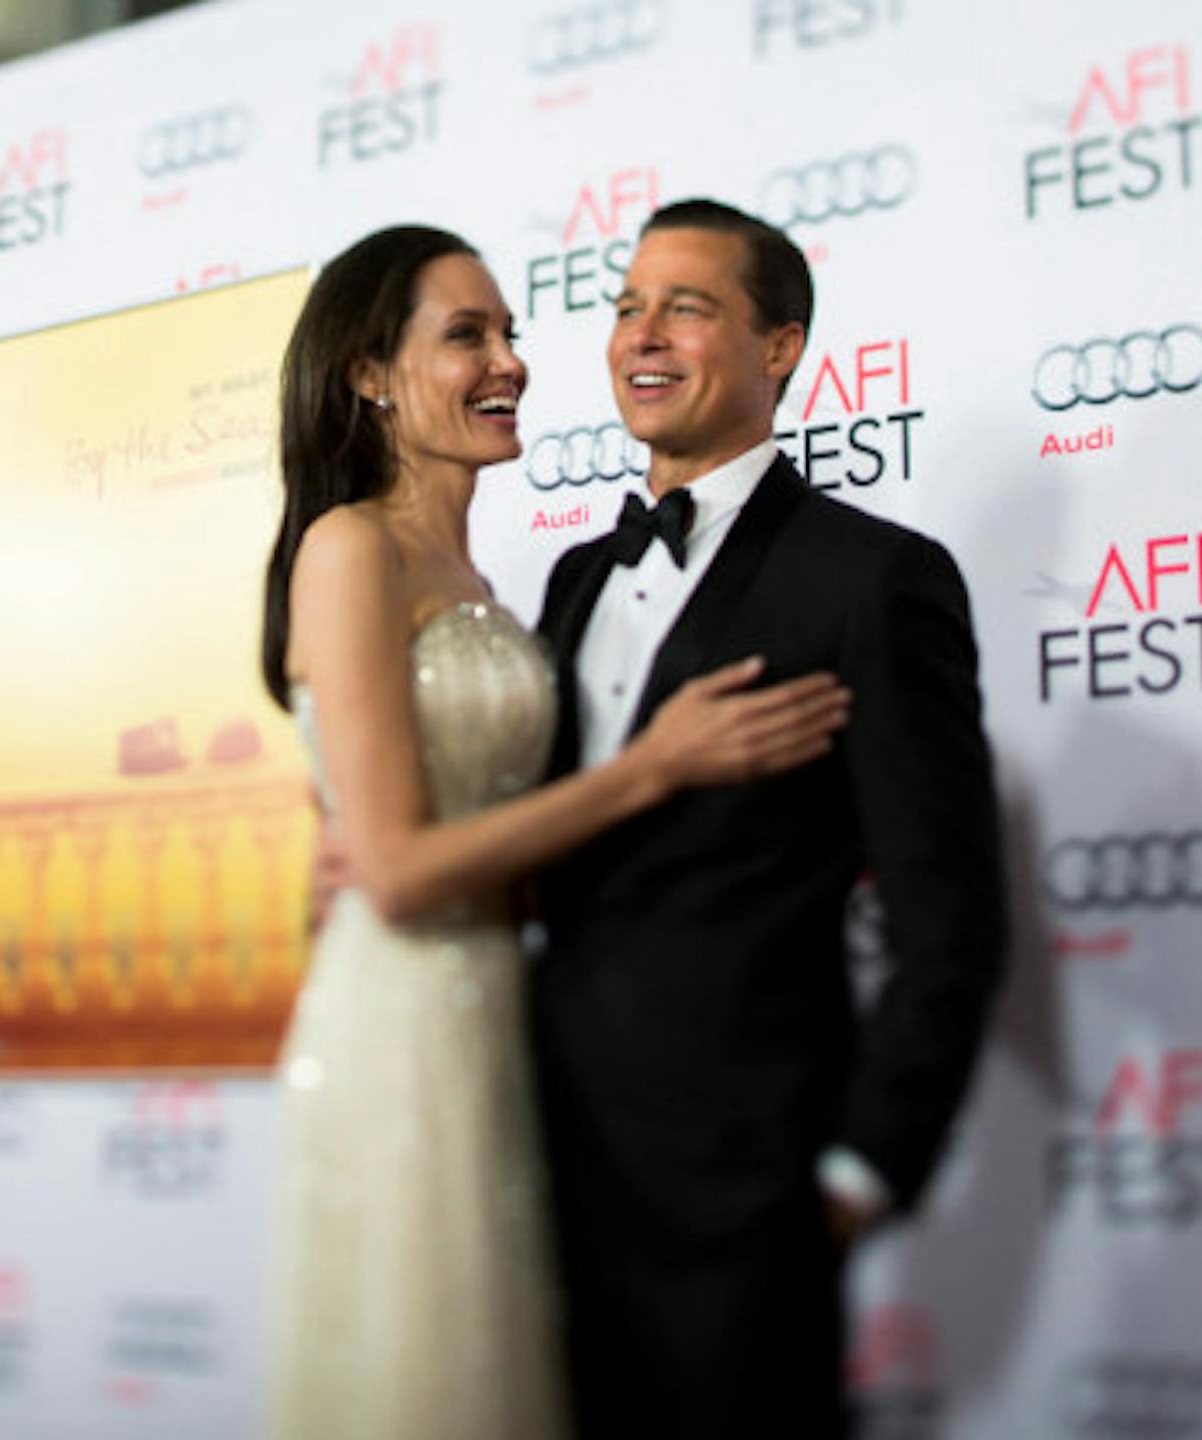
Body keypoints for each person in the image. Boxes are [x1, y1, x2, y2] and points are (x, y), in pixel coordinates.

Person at [258, 224, 852, 1440]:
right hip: (404, 1022)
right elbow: (400, 874)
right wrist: (655, 769)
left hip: (519, 1032)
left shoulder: (498, 587)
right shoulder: (349, 547)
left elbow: (488, 832)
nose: (509, 362)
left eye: (510, 333)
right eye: (464, 335)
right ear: (368, 373)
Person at [529, 199, 1007, 1437]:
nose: (643, 335)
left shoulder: (872, 579)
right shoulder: (574, 579)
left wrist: (862, 1167)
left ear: (780, 346)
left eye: (686, 307)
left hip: (747, 1186)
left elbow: (949, 911)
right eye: (627, 307)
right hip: (546, 1164)